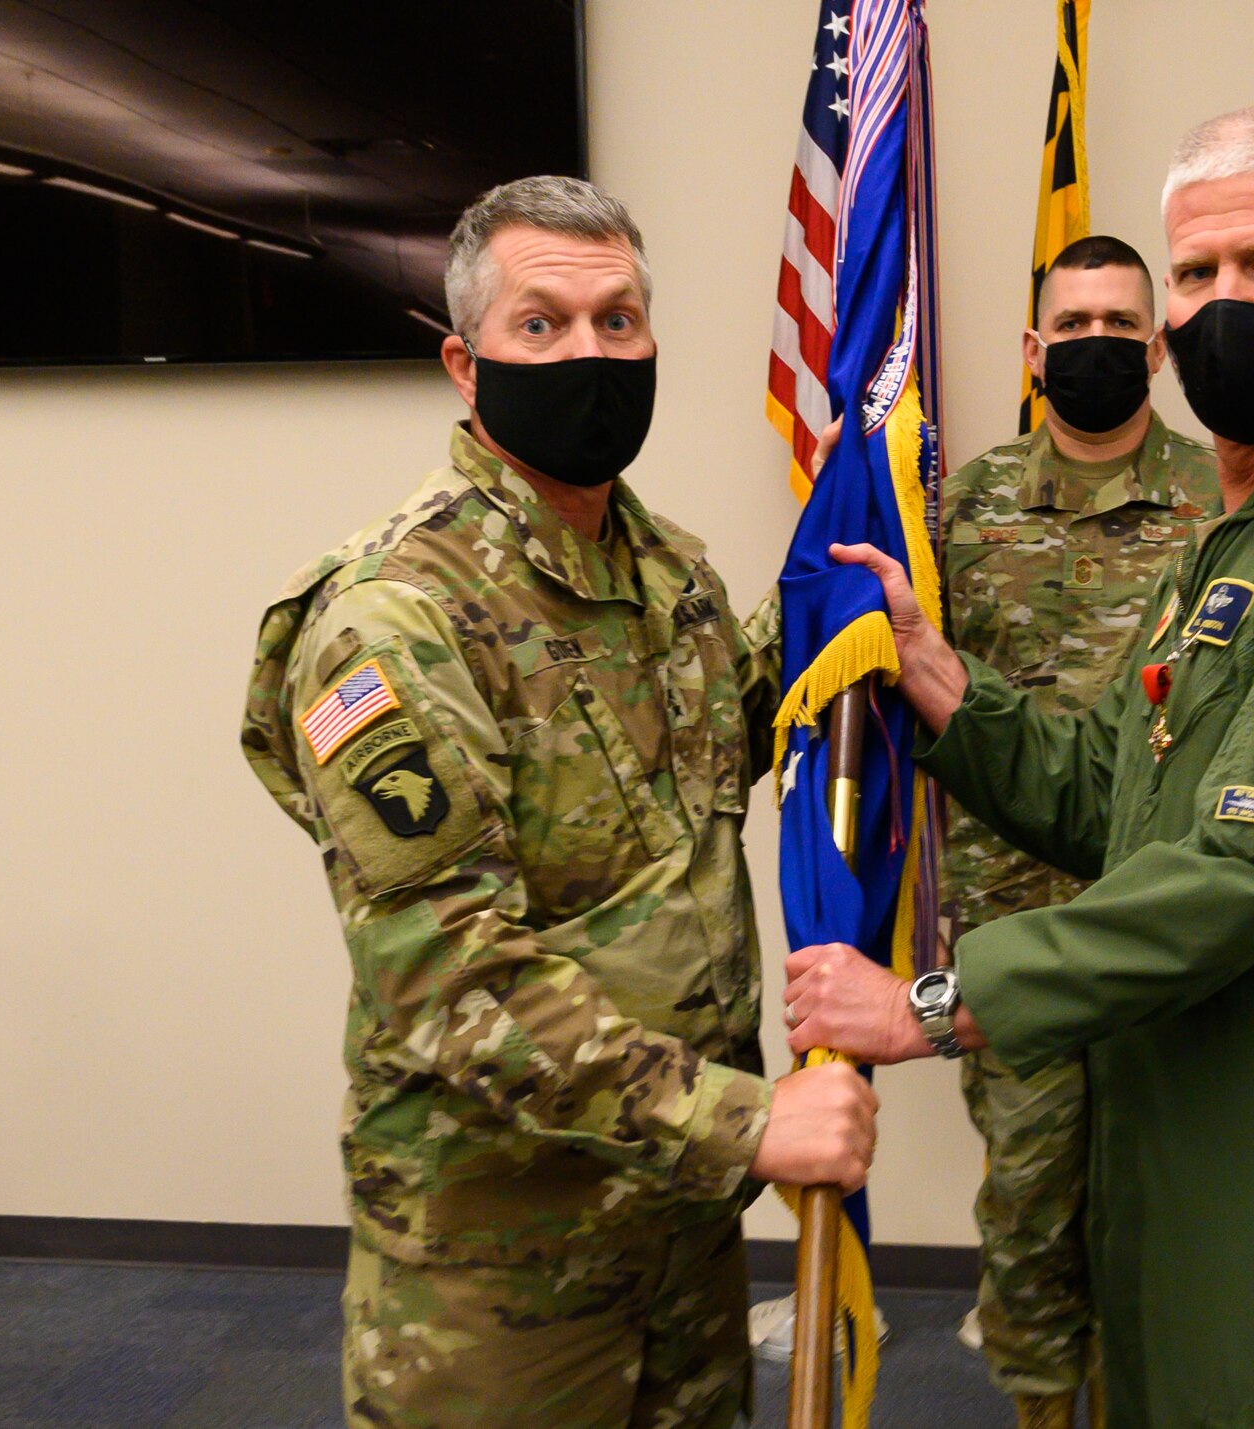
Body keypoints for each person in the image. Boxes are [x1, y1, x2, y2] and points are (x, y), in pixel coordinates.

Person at [779, 104, 1254, 1429]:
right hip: (1178, 1130)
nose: (1222, 304)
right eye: (1196, 275)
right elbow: (1130, 800)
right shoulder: (1237, 535)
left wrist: (934, 1003)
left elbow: (1248, 865)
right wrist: (949, 687)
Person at [240, 176, 876, 1429]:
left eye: (618, 320)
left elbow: (719, 744)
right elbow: (448, 976)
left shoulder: (666, 574)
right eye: (542, 324)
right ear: (465, 366)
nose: (590, 351)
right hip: (502, 1268)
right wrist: (742, 1122)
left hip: (675, 1229)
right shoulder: (392, 618)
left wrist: (860, 605)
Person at [942, 234, 1216, 1428]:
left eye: (1120, 325)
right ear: (1031, 350)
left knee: (1179, 1219)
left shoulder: (1223, 502)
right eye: (1073, 326)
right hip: (1013, 928)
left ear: (1156, 347)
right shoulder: (964, 504)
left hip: (1174, 932)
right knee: (1028, 1214)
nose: (1096, 344)